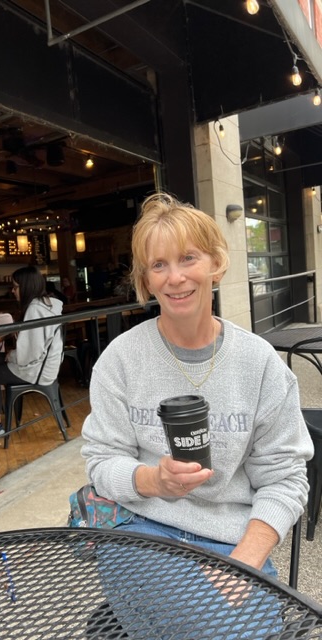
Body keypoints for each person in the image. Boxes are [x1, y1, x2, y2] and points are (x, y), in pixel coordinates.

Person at [80, 193, 313, 637]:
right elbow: (102, 462)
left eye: (188, 258)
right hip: (141, 529)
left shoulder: (259, 363)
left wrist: (244, 561)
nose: (175, 277)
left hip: (231, 541)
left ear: (216, 264)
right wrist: (154, 480)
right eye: (159, 264)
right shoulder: (120, 360)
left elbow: (285, 478)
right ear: (146, 280)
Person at [0, 265, 63, 439]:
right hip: (46, 364)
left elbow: (30, 354)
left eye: (15, 287)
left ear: (26, 286)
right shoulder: (48, 304)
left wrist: (11, 355)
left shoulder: (35, 310)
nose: (12, 291)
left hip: (37, 369)